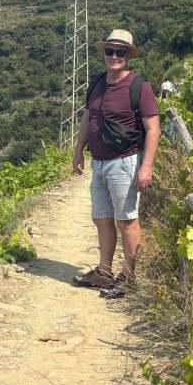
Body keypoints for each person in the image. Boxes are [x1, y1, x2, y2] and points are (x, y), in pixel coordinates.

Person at [71, 29, 160, 298]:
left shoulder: (139, 87)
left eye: (120, 52)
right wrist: (78, 152)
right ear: (104, 53)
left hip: (124, 162)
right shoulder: (97, 83)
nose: (114, 56)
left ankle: (129, 277)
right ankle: (105, 272)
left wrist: (146, 166)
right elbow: (88, 118)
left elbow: (153, 128)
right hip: (98, 163)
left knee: (126, 221)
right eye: (110, 51)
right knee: (101, 219)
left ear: (129, 56)